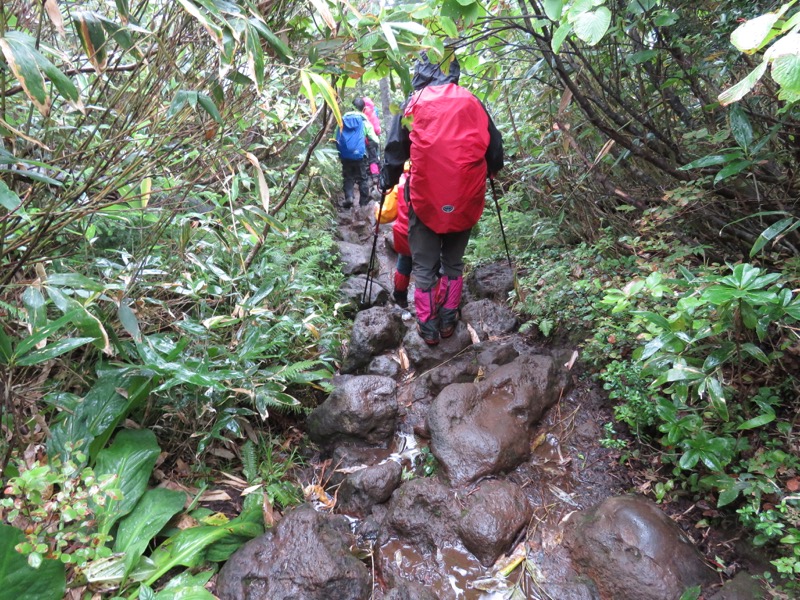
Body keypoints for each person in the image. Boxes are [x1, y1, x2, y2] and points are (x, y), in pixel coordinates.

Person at [380, 52, 504, 345]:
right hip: (465, 197)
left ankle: (428, 327)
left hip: (424, 200)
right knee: (453, 263)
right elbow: (495, 149)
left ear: (419, 72)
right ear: (454, 71)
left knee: (423, 266)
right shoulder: (472, 101)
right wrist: (492, 170)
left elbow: (395, 150)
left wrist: (386, 183)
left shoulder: (413, 104)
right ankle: (449, 321)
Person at [336, 98, 379, 208]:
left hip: (345, 154)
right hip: (360, 154)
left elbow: (335, 137)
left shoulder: (342, 119)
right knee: (362, 178)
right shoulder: (364, 121)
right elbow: (374, 138)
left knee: (348, 176)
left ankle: (349, 197)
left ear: (351, 107)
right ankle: (363, 203)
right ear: (364, 109)